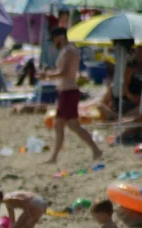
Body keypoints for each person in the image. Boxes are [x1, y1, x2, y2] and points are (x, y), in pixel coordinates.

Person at [42, 27, 103, 164]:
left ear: (61, 37)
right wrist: (49, 74)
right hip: (65, 91)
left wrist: (47, 76)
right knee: (59, 125)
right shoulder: (67, 50)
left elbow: (64, 72)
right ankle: (54, 157)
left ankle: (96, 150)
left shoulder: (69, 51)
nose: (53, 42)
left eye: (54, 39)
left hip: (69, 91)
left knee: (73, 125)